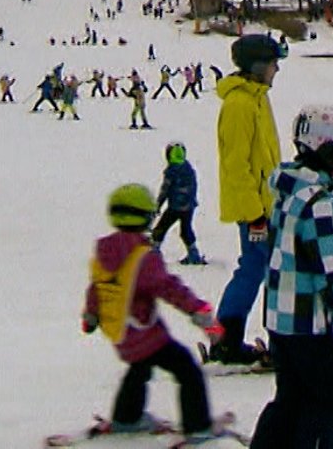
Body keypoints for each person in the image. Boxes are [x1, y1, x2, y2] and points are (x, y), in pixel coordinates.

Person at [250, 105, 333, 448]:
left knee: (291, 397)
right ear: (328, 152)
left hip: (278, 318)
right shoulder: (318, 202)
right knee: (330, 398)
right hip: (307, 321)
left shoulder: (285, 192)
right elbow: (328, 272)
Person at [82, 184, 222, 442]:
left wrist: (90, 317)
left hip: (120, 333)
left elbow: (96, 288)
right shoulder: (142, 256)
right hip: (146, 335)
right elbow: (168, 288)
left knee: (139, 368)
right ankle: (197, 425)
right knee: (187, 370)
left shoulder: (104, 252)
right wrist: (200, 313)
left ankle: (126, 417)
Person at [209, 33, 283, 364]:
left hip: (267, 203)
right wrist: (255, 213)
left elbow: (265, 157)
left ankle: (228, 339)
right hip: (253, 208)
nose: (276, 69)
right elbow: (236, 166)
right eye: (272, 63)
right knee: (256, 268)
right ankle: (226, 339)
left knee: (261, 268)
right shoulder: (239, 105)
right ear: (257, 66)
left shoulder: (258, 99)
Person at [152, 143, 203, 265]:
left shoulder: (171, 171)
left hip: (175, 207)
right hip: (189, 207)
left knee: (161, 227)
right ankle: (193, 253)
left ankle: (154, 252)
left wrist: (158, 205)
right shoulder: (189, 169)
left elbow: (165, 190)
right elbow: (194, 187)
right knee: (186, 230)